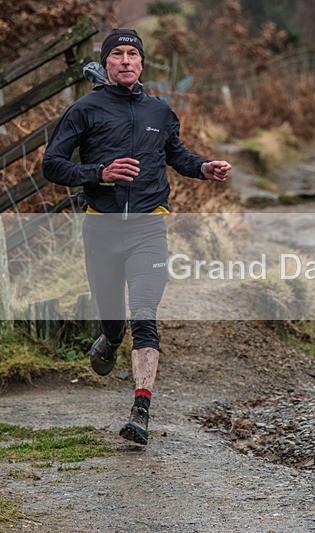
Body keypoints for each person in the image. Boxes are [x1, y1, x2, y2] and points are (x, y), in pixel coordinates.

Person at [43, 28, 231, 446]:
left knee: (145, 313)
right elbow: (52, 165)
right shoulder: (85, 110)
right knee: (115, 321)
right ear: (107, 63)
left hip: (148, 228)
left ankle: (140, 409)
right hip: (101, 229)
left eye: (133, 54)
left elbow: (175, 154)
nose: (126, 60)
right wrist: (98, 173)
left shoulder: (160, 111)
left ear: (142, 64)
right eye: (118, 55)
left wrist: (202, 167)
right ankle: (110, 340)